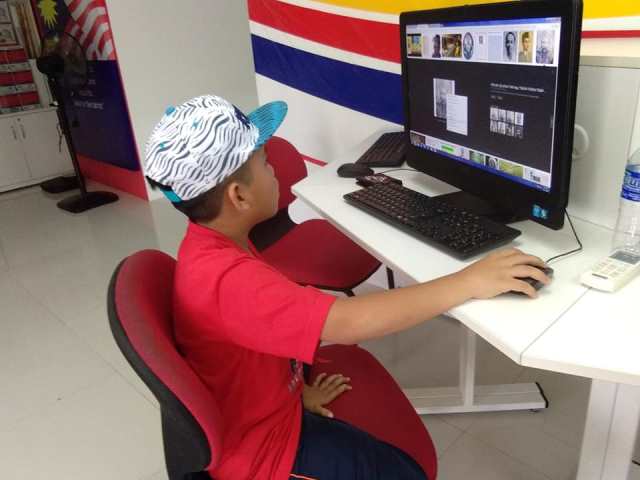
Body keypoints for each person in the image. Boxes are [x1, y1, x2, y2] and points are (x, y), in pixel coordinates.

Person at [145, 95, 551, 480]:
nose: (274, 171)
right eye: (266, 163)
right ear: (238, 196)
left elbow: (252, 341)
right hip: (267, 455)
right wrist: (468, 281)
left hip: (277, 408)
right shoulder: (226, 280)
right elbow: (348, 323)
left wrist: (294, 394)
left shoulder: (212, 245)